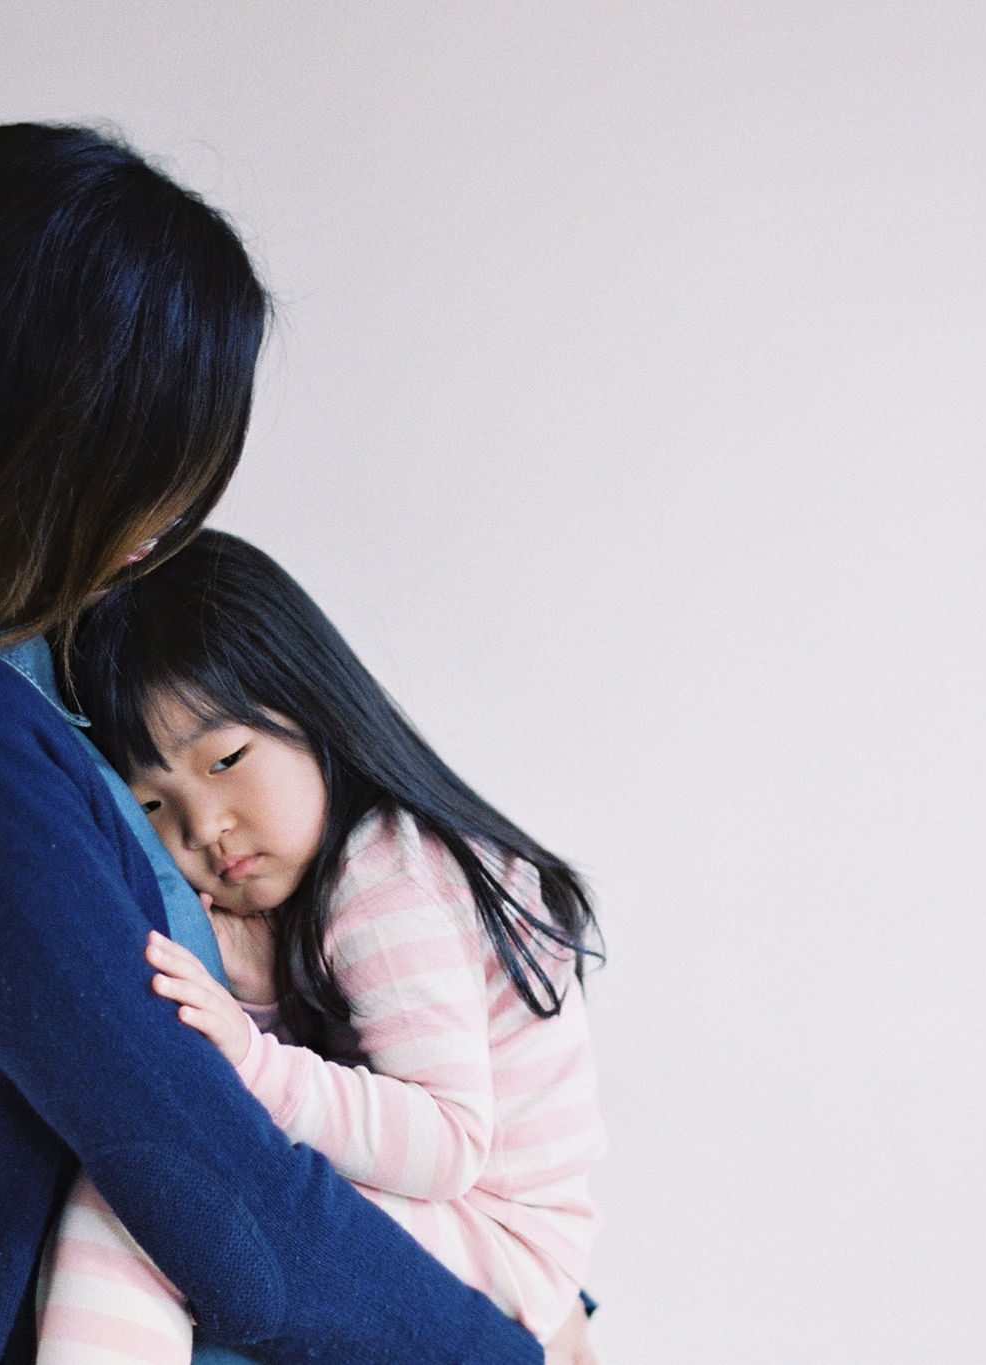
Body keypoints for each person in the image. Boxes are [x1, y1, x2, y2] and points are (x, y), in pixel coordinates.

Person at [0, 122, 557, 1365]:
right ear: (36, 435)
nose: (169, 521)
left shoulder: (14, 693)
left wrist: (535, 1299)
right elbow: (199, 1176)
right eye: (150, 460)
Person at [35, 532, 607, 1364]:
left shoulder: (386, 879)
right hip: (508, 1243)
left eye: (226, 758)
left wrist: (251, 1059)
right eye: (154, 805)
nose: (204, 825)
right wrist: (262, 995)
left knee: (150, 1188)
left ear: (311, 707)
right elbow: (359, 1073)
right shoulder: (345, 877)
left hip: (499, 1243)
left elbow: (446, 1140)